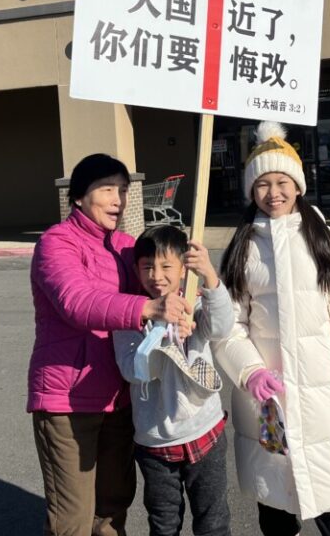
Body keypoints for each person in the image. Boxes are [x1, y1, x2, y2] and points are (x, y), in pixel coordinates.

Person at [214, 121, 330, 536]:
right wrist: (250, 371)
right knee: (276, 509)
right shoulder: (242, 248)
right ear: (251, 190)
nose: (274, 193)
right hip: (269, 402)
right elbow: (227, 326)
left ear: (299, 185)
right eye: (263, 183)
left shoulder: (329, 241)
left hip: (326, 400)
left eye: (282, 181)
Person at [28, 153, 192, 536]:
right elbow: (77, 302)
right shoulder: (57, 243)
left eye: (122, 190)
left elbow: (158, 286)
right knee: (73, 518)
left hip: (120, 397)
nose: (118, 199)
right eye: (107, 190)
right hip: (67, 399)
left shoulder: (126, 246)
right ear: (80, 197)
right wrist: (150, 306)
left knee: (112, 508)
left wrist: (182, 275)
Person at [113, 226, 234, 536]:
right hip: (156, 441)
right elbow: (135, 369)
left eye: (167, 266)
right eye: (147, 266)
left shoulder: (195, 302)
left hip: (204, 431)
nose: (157, 275)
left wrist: (209, 276)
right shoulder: (130, 315)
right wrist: (160, 333)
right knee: (164, 522)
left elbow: (221, 327)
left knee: (213, 519)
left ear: (183, 268)